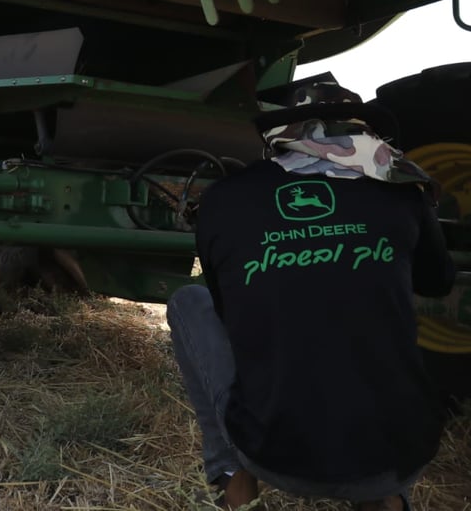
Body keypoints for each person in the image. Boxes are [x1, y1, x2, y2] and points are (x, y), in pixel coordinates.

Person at [168, 77, 456, 511]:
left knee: (190, 301)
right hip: (400, 457)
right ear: (363, 132)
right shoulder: (402, 191)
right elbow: (437, 282)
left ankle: (233, 477)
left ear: (282, 134)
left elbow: (232, 314)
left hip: (275, 456)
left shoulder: (224, 199)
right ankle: (387, 496)